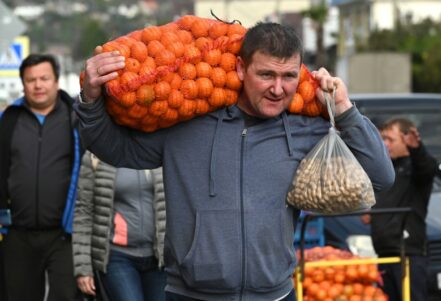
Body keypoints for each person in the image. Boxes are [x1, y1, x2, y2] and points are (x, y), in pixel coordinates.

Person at [74, 22, 395, 301]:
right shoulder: (187, 124)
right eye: (266, 74)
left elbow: (380, 176)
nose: (278, 89)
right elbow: (115, 150)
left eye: (288, 76)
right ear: (241, 69)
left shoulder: (305, 128)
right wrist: (90, 99)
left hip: (276, 295)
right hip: (190, 295)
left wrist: (345, 109)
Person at [0, 53, 82, 301]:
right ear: (22, 83)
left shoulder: (75, 118)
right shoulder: (8, 120)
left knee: (66, 296)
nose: (38, 85)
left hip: (64, 234)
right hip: (17, 233)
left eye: (44, 78)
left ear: (56, 81)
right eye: (31, 79)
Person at [72, 150, 167, 301]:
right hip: (118, 257)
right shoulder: (97, 154)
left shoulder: (159, 148)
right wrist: (83, 269)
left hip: (159, 260)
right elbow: (84, 211)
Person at [362, 117, 438, 301]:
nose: (385, 144)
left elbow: (427, 168)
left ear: (407, 140)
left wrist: (417, 149)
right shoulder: (385, 169)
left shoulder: (415, 167)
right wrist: (371, 212)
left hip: (408, 257)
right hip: (384, 255)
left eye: (390, 140)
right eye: (383, 139)